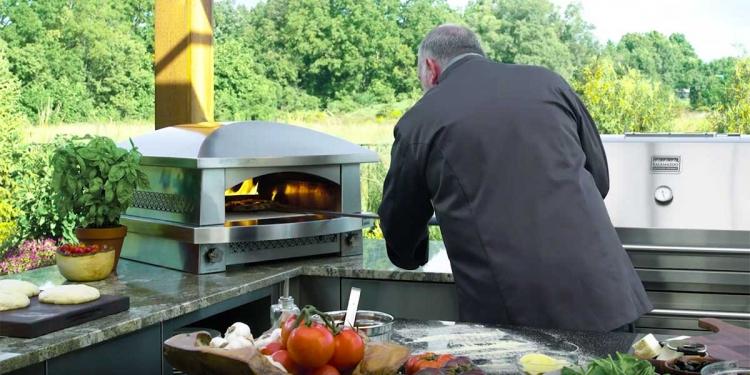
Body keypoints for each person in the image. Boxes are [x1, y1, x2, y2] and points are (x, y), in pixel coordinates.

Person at [378, 24, 652, 332]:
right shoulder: (549, 83)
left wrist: (412, 255)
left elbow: (400, 222)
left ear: (430, 68)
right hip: (606, 295)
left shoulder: (420, 119)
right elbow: (599, 179)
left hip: (517, 315)